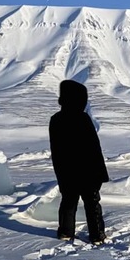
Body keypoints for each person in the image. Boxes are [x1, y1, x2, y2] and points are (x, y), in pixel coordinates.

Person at [49, 79, 109, 244]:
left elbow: (56, 149)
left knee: (68, 201)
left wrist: (60, 171)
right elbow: (94, 148)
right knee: (92, 203)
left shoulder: (56, 119)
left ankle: (65, 232)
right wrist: (100, 173)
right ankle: (97, 235)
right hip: (87, 170)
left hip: (66, 170)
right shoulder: (82, 118)